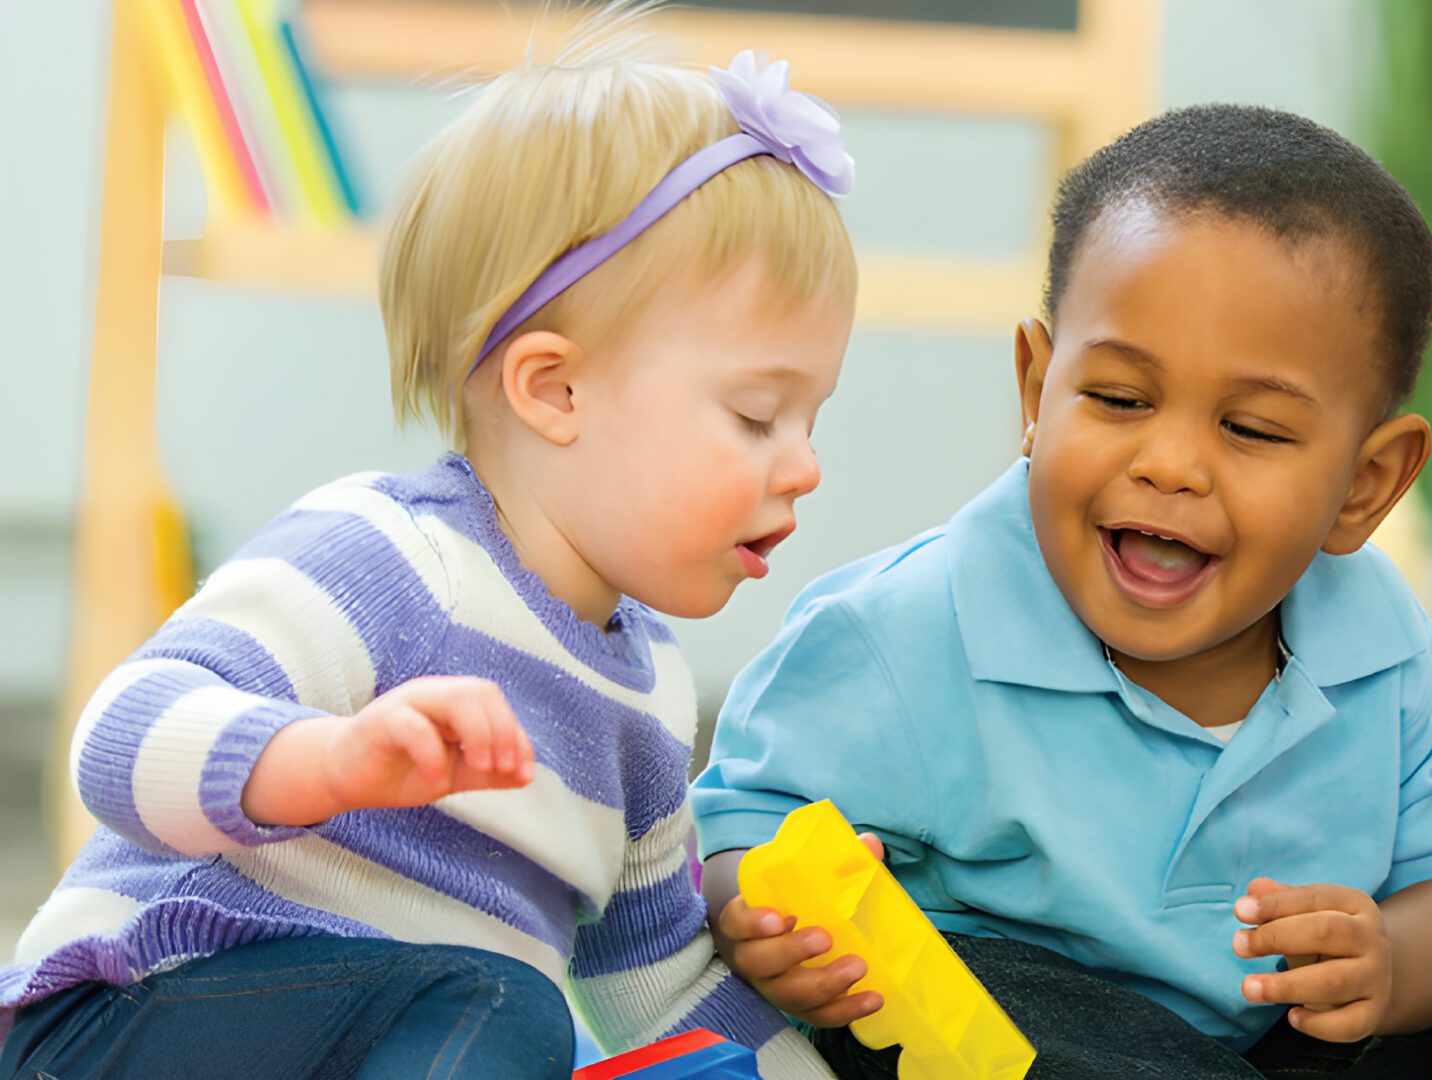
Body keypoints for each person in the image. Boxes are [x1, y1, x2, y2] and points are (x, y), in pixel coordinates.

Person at [0, 8, 855, 1078]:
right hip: (137, 1018)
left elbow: (664, 987)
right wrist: (325, 761)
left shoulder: (647, 705)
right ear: (554, 389)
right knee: (508, 1003)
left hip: (420, 1034)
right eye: (754, 417)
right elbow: (121, 739)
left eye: (810, 420)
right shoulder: (391, 556)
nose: (802, 467)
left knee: (547, 1026)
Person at [693, 105, 1432, 1078]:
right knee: (986, 1014)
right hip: (1036, 1034)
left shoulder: (1387, 652)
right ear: (1037, 391)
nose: (1169, 465)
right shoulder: (904, 631)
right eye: (1118, 400)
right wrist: (764, 925)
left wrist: (1388, 960)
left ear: (1365, 485)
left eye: (1250, 429)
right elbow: (739, 831)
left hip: (1281, 1036)